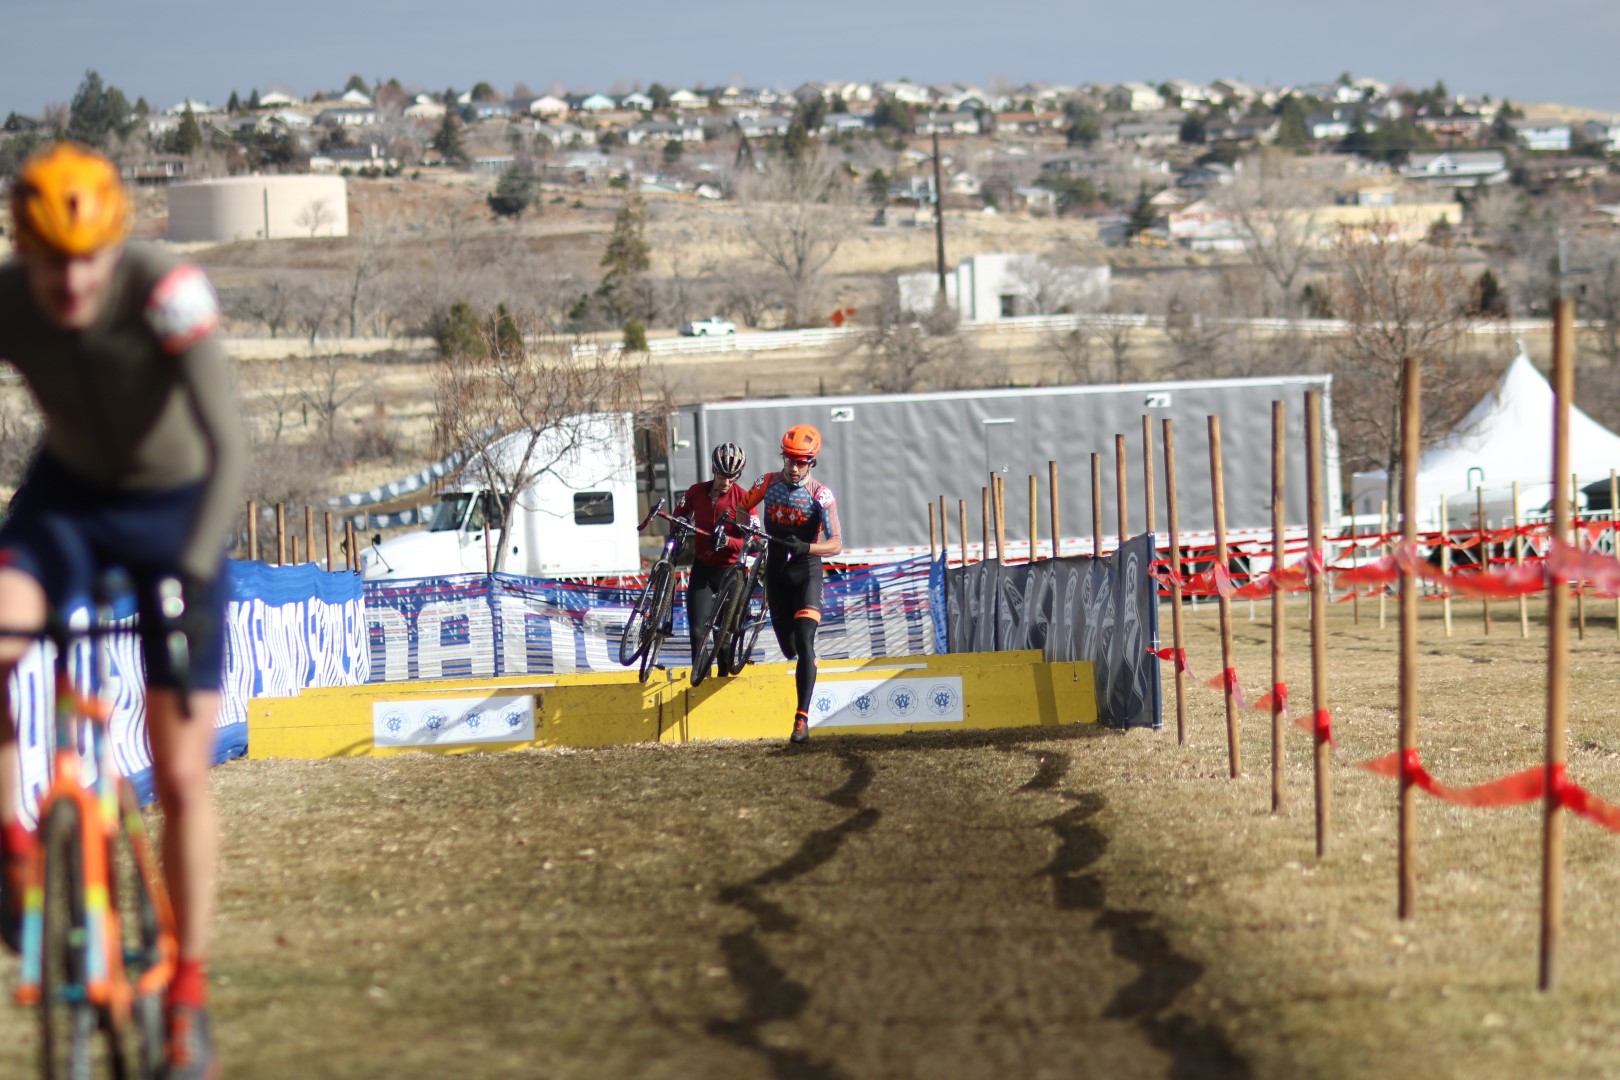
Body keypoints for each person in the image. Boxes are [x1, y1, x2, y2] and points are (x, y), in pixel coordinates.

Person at [0, 142, 245, 1080]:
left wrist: (187, 566)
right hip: (65, 503)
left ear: (116, 244)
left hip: (175, 512)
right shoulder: (10, 297)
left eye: (88, 258)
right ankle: (15, 848)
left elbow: (226, 440)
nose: (71, 280)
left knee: (182, 772)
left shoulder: (166, 286)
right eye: (50, 260)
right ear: (24, 249)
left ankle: (185, 987)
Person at [736, 424, 841, 743]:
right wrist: (749, 533)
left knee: (805, 641)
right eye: (790, 461)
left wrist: (807, 547)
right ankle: (802, 665)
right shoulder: (767, 483)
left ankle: (801, 720)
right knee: (789, 647)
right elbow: (742, 508)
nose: (794, 469)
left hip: (806, 569)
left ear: (812, 463)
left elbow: (836, 543)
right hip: (776, 573)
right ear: (782, 459)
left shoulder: (821, 495)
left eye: (801, 462)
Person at [673, 442, 752, 679]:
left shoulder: (744, 499)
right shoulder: (696, 491)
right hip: (703, 569)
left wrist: (728, 541)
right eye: (721, 475)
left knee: (724, 640)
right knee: (698, 632)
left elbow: (753, 543)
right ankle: (700, 679)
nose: (726, 482)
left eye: (732, 477)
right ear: (713, 470)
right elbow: (680, 515)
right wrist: (677, 526)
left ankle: (722, 680)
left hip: (730, 573)